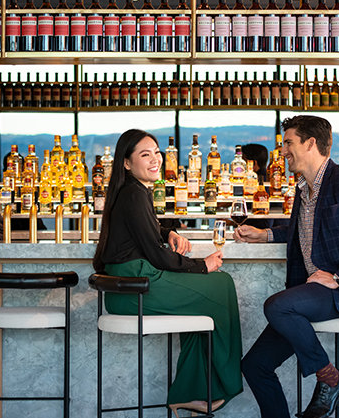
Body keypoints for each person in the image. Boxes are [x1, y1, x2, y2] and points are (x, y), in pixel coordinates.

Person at [234, 116, 339, 418]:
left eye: (288, 143)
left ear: (310, 143)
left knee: (277, 307)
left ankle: (330, 378)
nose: (282, 151)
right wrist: (264, 234)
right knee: (254, 365)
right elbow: (306, 231)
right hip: (310, 293)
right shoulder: (303, 188)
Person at [93, 129, 243, 415]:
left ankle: (190, 391)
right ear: (126, 163)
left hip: (131, 285)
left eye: (157, 153)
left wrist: (168, 231)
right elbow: (156, 255)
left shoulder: (132, 192)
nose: (155, 160)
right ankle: (220, 382)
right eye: (145, 154)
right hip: (136, 288)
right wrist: (202, 265)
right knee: (221, 284)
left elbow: (142, 231)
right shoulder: (134, 194)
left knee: (205, 307)